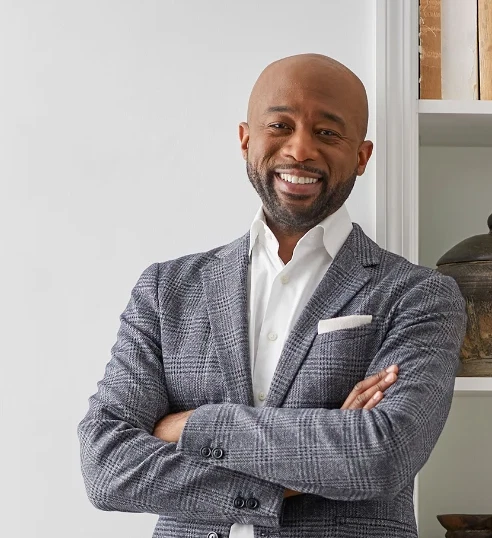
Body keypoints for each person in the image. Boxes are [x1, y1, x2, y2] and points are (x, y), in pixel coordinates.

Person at [78, 53, 466, 538]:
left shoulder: (419, 296)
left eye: (327, 132)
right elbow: (106, 465)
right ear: (246, 139)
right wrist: (299, 471)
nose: (300, 150)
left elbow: (380, 454)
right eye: (280, 125)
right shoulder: (166, 291)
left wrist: (195, 425)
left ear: (362, 156)